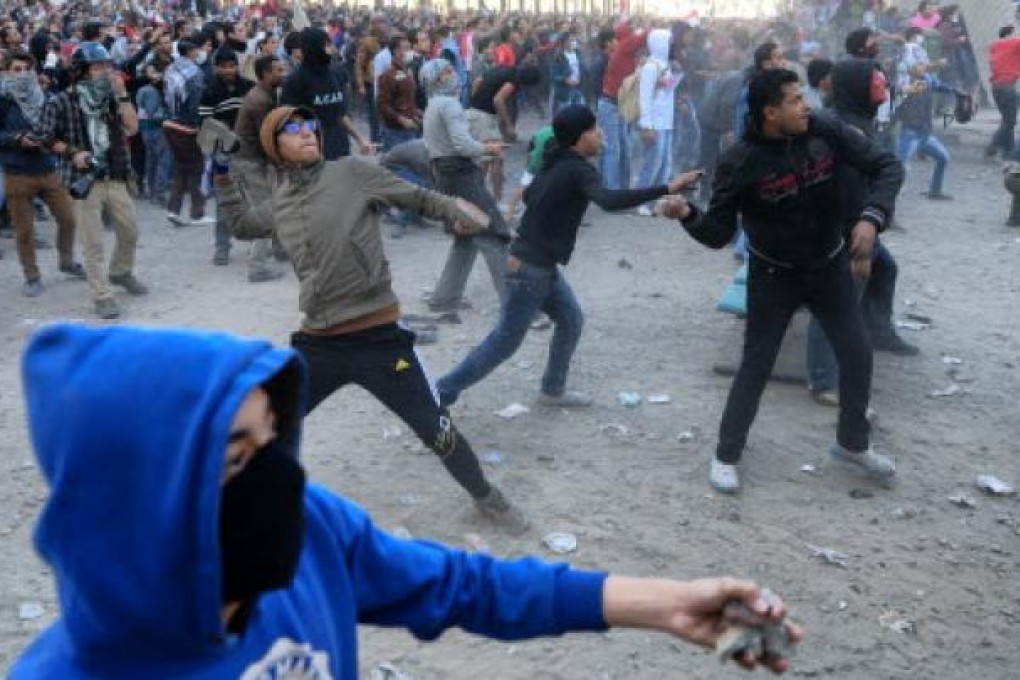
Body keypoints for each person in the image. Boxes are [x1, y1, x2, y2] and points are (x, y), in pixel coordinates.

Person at [10, 322, 801, 678]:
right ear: (136, 496)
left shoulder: (313, 532)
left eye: (269, 444)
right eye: (232, 459)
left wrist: (662, 604)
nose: (277, 483)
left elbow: (464, 585)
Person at [215, 104, 529, 532]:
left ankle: (487, 497)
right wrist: (221, 174)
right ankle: (233, 508)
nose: (307, 133)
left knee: (436, 429)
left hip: (379, 339)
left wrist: (460, 211)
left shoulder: (350, 173)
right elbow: (243, 225)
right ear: (275, 147)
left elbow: (416, 196)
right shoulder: (281, 203)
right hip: (318, 344)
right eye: (293, 129)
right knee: (262, 424)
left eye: (311, 126)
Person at [659, 69, 903, 495]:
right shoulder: (739, 161)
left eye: (802, 97)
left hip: (829, 266)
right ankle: (726, 454)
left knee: (858, 354)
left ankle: (851, 445)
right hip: (773, 275)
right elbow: (718, 234)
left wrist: (871, 216)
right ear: (770, 113)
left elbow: (887, 165)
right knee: (756, 365)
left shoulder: (824, 130)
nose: (805, 105)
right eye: (794, 100)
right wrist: (687, 215)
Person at [437, 105, 695, 410]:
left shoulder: (556, 160)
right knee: (504, 342)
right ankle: (441, 391)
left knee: (570, 320)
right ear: (579, 137)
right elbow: (609, 201)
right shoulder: (576, 168)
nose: (601, 135)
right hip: (529, 269)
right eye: (595, 130)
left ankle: (552, 389)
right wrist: (667, 187)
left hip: (539, 266)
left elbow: (531, 196)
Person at [805, 57, 918, 409]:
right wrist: (860, 249)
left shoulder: (858, 122)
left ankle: (877, 331)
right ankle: (824, 380)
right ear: (857, 86)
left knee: (887, 269)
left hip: (853, 224)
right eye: (876, 80)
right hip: (833, 232)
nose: (882, 84)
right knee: (836, 299)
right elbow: (845, 197)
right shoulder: (842, 130)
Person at [35, 42, 148, 320]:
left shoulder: (111, 95)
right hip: (83, 179)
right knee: (92, 241)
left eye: (107, 66)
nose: (105, 72)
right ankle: (102, 295)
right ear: (81, 71)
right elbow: (44, 138)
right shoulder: (61, 101)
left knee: (130, 230)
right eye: (98, 67)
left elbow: (132, 127)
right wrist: (74, 153)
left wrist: (122, 95)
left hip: (115, 173)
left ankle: (120, 271)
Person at [422, 58, 512, 313]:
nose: (454, 74)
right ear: (438, 78)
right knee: (494, 234)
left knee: (466, 238)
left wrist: (483, 152)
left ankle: (444, 298)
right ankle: (514, 305)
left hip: (445, 174)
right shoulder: (449, 105)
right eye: (448, 71)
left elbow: (441, 147)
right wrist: (488, 148)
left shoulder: (432, 105)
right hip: (461, 174)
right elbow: (462, 145)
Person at [0, 49, 85, 297]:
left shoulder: (44, 97)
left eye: (27, 70)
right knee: (25, 230)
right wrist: (18, 139)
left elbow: (59, 128)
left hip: (48, 169)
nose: (23, 75)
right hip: (17, 173)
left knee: (68, 219)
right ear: (5, 71)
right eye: (17, 70)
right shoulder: (4, 100)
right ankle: (32, 276)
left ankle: (66, 261)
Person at [227, 53, 285, 281]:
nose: (282, 74)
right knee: (264, 212)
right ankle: (257, 266)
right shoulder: (260, 100)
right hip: (249, 163)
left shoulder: (264, 94)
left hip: (252, 161)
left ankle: (279, 249)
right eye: (278, 71)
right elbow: (268, 137)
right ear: (265, 74)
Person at [282, 27, 371, 161]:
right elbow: (289, 121)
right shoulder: (295, 81)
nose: (333, 48)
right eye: (327, 45)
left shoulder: (337, 73)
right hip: (312, 156)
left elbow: (341, 114)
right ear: (315, 47)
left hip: (340, 150)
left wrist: (360, 139)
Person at [467, 62, 543, 202]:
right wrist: (508, 125)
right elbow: (498, 100)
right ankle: (485, 199)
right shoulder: (514, 79)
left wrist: (474, 101)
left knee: (492, 159)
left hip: (476, 114)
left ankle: (488, 199)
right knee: (493, 158)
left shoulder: (505, 68)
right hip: (484, 117)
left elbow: (477, 81)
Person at [163, 38, 213, 228]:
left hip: (170, 123)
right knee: (196, 169)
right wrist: (198, 124)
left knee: (182, 169)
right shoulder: (194, 72)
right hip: (187, 126)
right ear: (191, 51)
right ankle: (197, 213)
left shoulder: (171, 68)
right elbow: (195, 102)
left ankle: (173, 209)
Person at [895, 60, 955, 200]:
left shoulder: (928, 80)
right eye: (919, 64)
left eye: (923, 64)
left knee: (943, 158)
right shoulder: (904, 86)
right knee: (899, 165)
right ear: (910, 68)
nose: (923, 67)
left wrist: (959, 92)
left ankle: (935, 190)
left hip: (925, 133)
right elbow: (895, 107)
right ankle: (890, 196)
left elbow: (943, 87)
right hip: (910, 133)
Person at [635, 29, 680, 216]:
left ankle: (656, 201)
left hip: (666, 121)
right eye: (668, 42)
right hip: (654, 122)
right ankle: (641, 201)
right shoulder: (650, 67)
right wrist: (647, 125)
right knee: (652, 163)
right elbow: (644, 97)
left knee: (665, 164)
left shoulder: (666, 65)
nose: (671, 45)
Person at [597, 19, 646, 190]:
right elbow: (645, 37)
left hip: (617, 105)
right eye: (631, 31)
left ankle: (619, 188)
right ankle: (612, 190)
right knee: (613, 149)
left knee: (621, 148)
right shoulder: (624, 46)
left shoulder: (623, 50)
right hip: (611, 105)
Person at [134, 63, 172, 206]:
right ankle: (159, 193)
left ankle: (153, 192)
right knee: (163, 159)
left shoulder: (142, 90)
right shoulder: (152, 92)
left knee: (152, 160)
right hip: (155, 129)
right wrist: (168, 116)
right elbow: (153, 113)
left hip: (146, 130)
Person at [376, 34, 421, 152]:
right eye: (406, 49)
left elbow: (407, 98)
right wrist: (401, 119)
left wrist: (416, 112)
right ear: (396, 51)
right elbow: (382, 105)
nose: (409, 52)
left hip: (410, 127)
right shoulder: (388, 75)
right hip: (395, 132)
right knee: (396, 167)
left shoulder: (407, 72)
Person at [987, 26, 1020, 160]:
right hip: (1008, 87)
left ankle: (1009, 150)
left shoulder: (995, 46)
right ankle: (993, 145)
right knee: (1010, 121)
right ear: (1008, 35)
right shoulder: (1013, 43)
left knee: (1007, 119)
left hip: (997, 87)